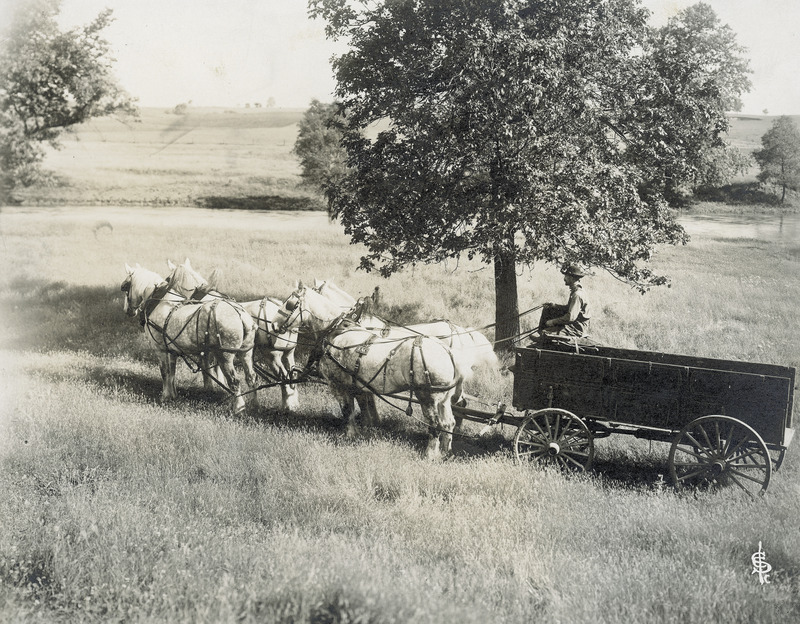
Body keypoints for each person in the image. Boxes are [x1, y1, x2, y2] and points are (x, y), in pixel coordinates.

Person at [535, 263, 592, 340]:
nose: (564, 278)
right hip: (575, 323)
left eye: (566, 276)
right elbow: (569, 309)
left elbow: (570, 317)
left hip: (577, 327)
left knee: (547, 333)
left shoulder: (577, 295)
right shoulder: (576, 291)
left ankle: (543, 338)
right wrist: (554, 305)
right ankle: (541, 336)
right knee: (548, 309)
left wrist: (553, 322)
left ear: (572, 278)